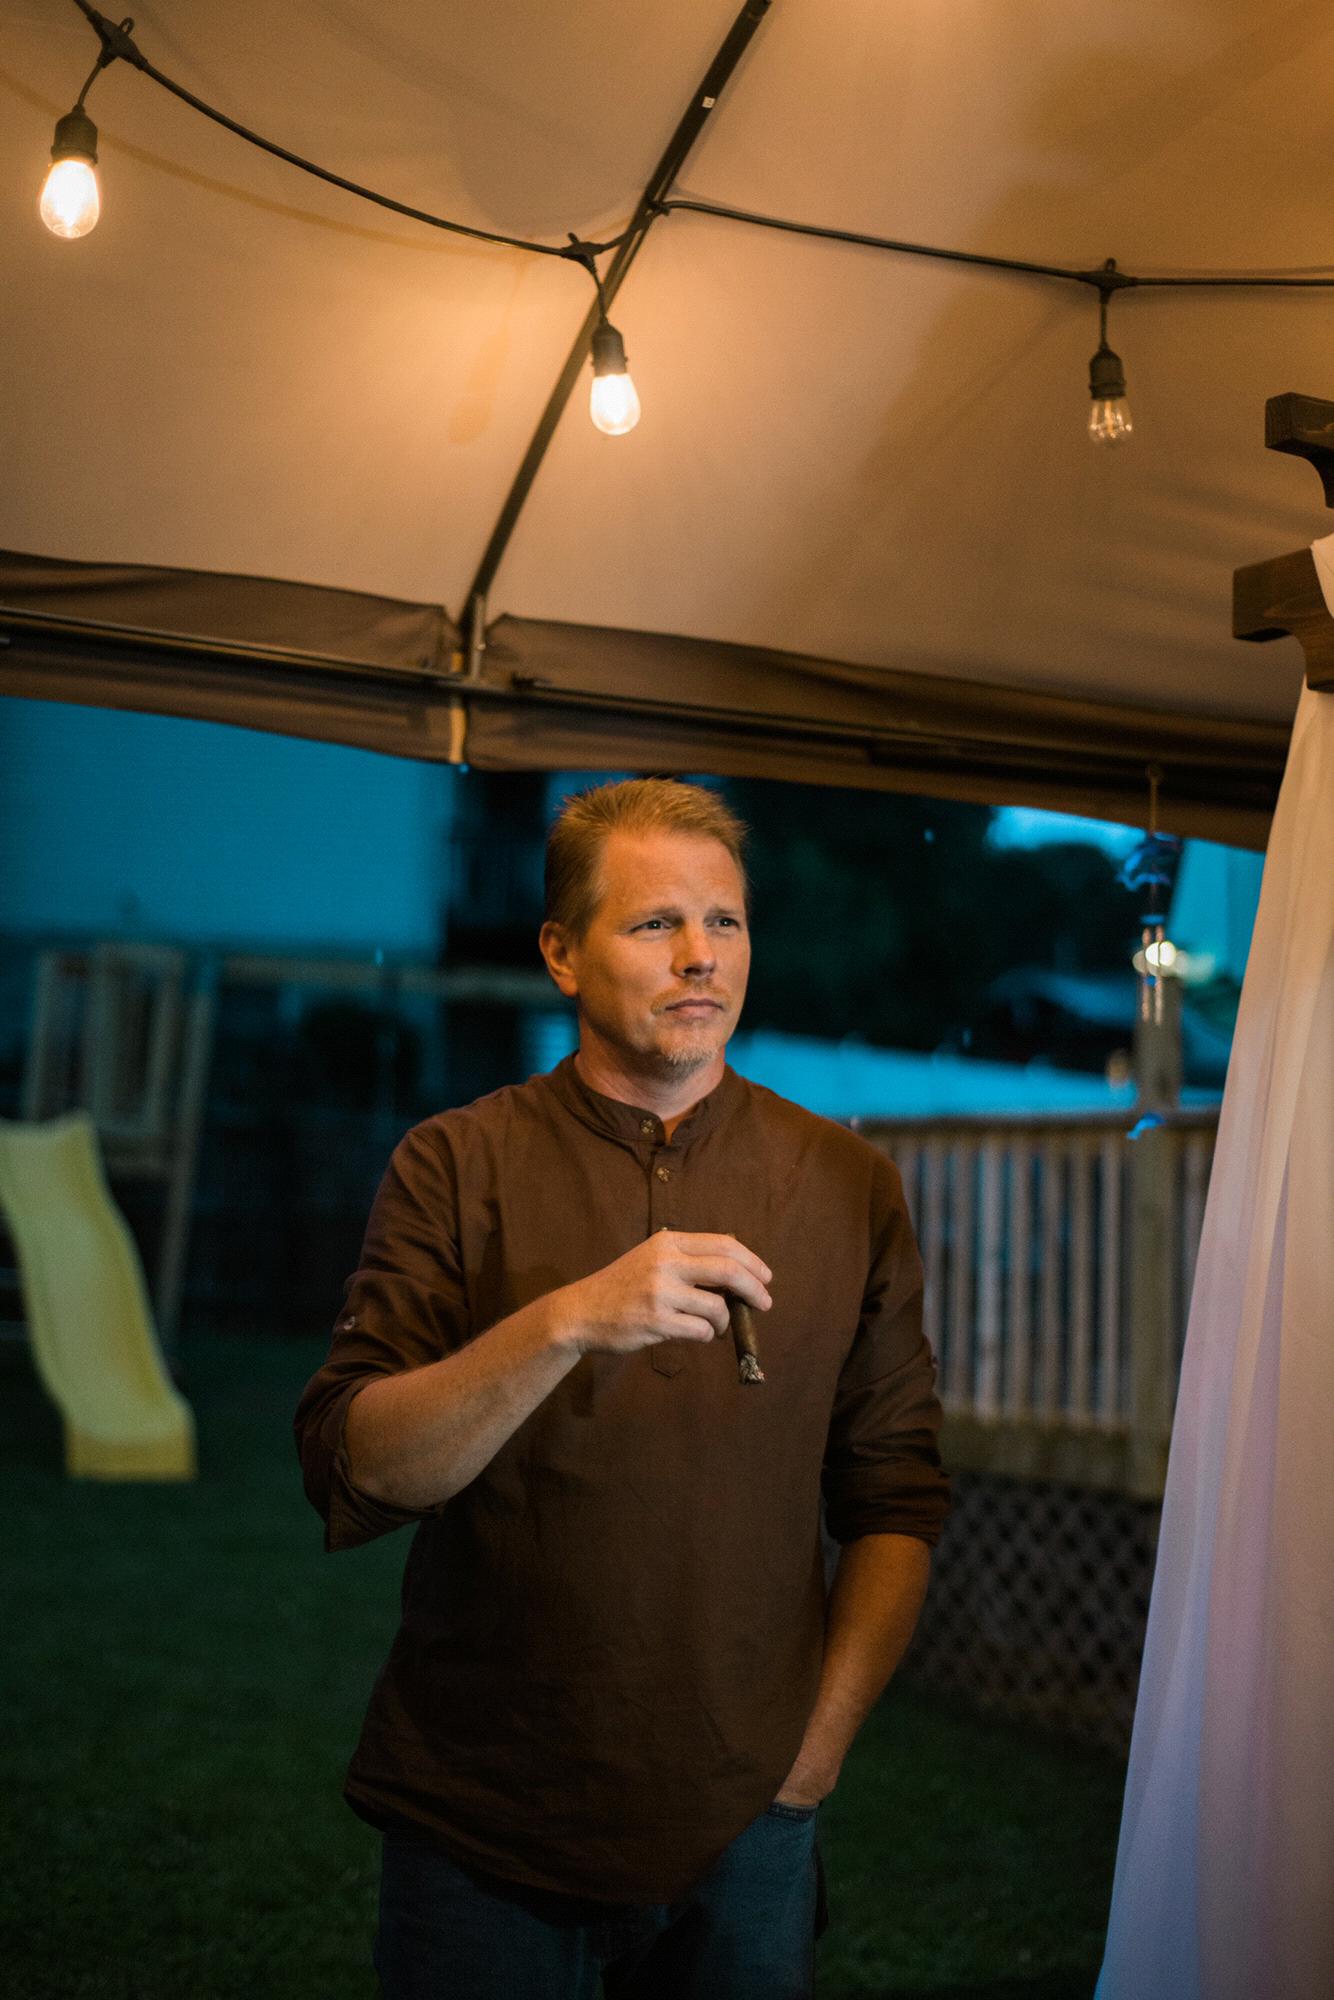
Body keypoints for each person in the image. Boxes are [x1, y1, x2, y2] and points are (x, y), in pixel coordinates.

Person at [294, 776, 950, 2000]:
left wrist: (811, 1757)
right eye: (654, 923)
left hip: (745, 1818)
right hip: (484, 1811)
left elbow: (894, 1498)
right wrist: (563, 1320)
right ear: (561, 953)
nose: (700, 955)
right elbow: (360, 1464)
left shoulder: (844, 1182)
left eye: (725, 920)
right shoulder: (455, 1162)